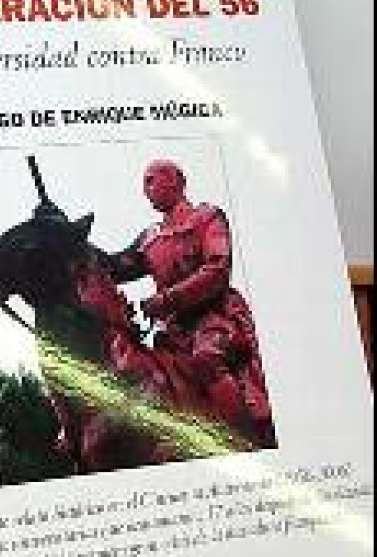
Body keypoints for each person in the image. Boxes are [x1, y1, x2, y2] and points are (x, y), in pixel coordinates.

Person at [108, 160, 274, 446]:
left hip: (216, 317)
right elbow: (113, 267)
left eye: (151, 180)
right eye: (144, 183)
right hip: (173, 332)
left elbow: (217, 269)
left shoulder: (207, 217)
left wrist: (166, 299)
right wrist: (65, 236)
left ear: (177, 180)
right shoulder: (149, 238)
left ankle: (248, 443)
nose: (146, 189)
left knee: (206, 359)